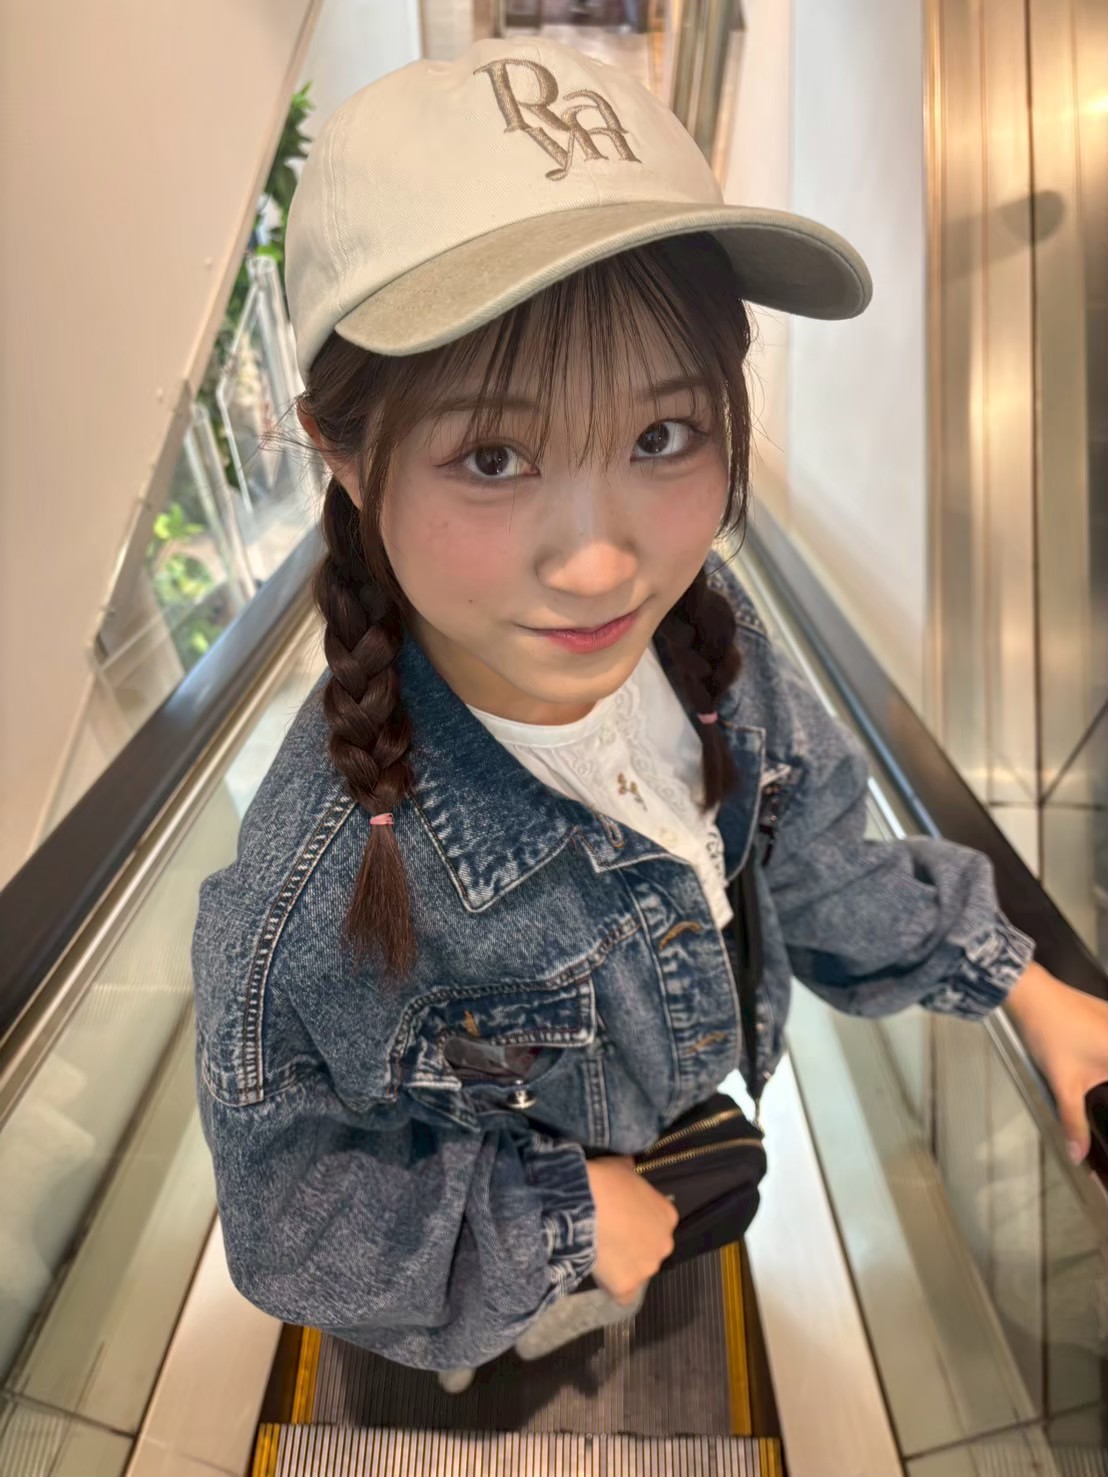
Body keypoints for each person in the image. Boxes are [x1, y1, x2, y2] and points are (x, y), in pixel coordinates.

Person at [191, 38, 1108, 1387]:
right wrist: (554, 1219)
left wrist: (1018, 981)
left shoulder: (712, 650)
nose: (601, 563)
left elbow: (820, 863)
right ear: (345, 452)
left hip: (678, 1188)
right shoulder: (315, 875)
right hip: (493, 1312)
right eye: (494, 455)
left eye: (662, 436)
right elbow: (290, 1216)